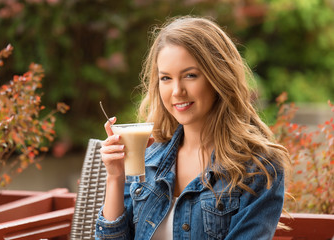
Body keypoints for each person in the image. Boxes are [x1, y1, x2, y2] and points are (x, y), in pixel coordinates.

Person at [96, 16, 291, 240]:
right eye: (166, 78)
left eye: (190, 75)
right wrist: (115, 177)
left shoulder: (256, 168)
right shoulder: (148, 158)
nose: (177, 90)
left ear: (218, 77)